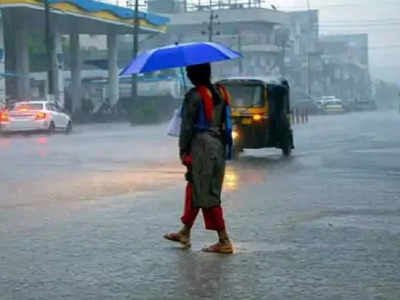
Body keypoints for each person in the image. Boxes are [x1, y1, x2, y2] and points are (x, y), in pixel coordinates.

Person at [164, 63, 234, 254]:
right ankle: (185, 231)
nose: (186, 74)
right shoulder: (221, 92)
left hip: (201, 147)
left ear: (195, 74)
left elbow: (186, 127)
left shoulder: (193, 96)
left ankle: (224, 239)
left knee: (207, 193)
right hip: (218, 145)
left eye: (188, 71)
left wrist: (183, 151)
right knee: (196, 187)